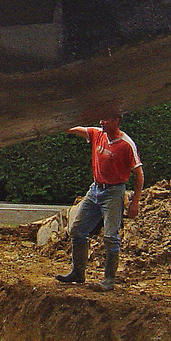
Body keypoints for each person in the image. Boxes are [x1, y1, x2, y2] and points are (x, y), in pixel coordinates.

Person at [55, 111, 144, 291]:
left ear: (116, 121)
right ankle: (77, 272)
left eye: (106, 119)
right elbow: (78, 130)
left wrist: (135, 201)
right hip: (95, 189)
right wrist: (57, 125)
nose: (101, 122)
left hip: (114, 192)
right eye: (101, 119)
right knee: (77, 230)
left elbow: (139, 174)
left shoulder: (126, 144)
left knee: (110, 236)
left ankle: (109, 280)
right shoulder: (98, 134)